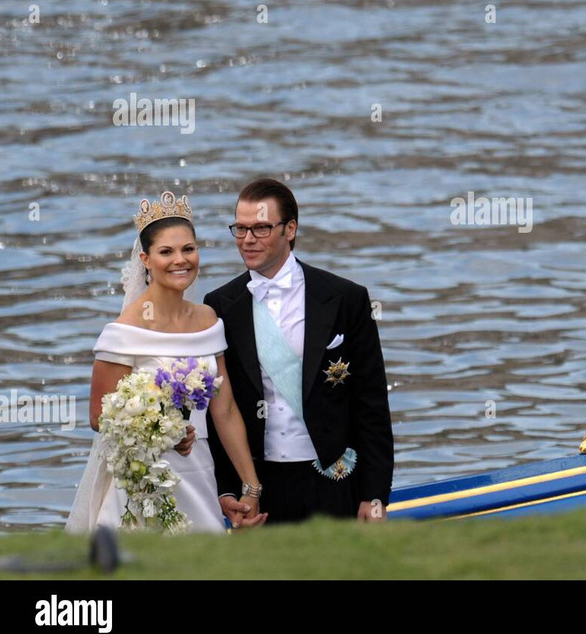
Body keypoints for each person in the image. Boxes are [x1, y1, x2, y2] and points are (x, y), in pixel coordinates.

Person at [67, 191, 266, 532]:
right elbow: (99, 417)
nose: (180, 260)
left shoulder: (208, 320)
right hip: (144, 480)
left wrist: (251, 487)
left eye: (188, 249)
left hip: (199, 472)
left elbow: (226, 409)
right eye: (166, 252)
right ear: (145, 259)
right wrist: (163, 433)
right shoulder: (124, 332)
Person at [204, 178, 394, 524]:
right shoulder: (219, 305)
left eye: (261, 228)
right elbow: (222, 408)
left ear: (290, 229)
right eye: (240, 229)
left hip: (335, 479)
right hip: (260, 485)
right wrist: (228, 489)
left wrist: (375, 494)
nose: (247, 239)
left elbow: (371, 404)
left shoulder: (346, 298)